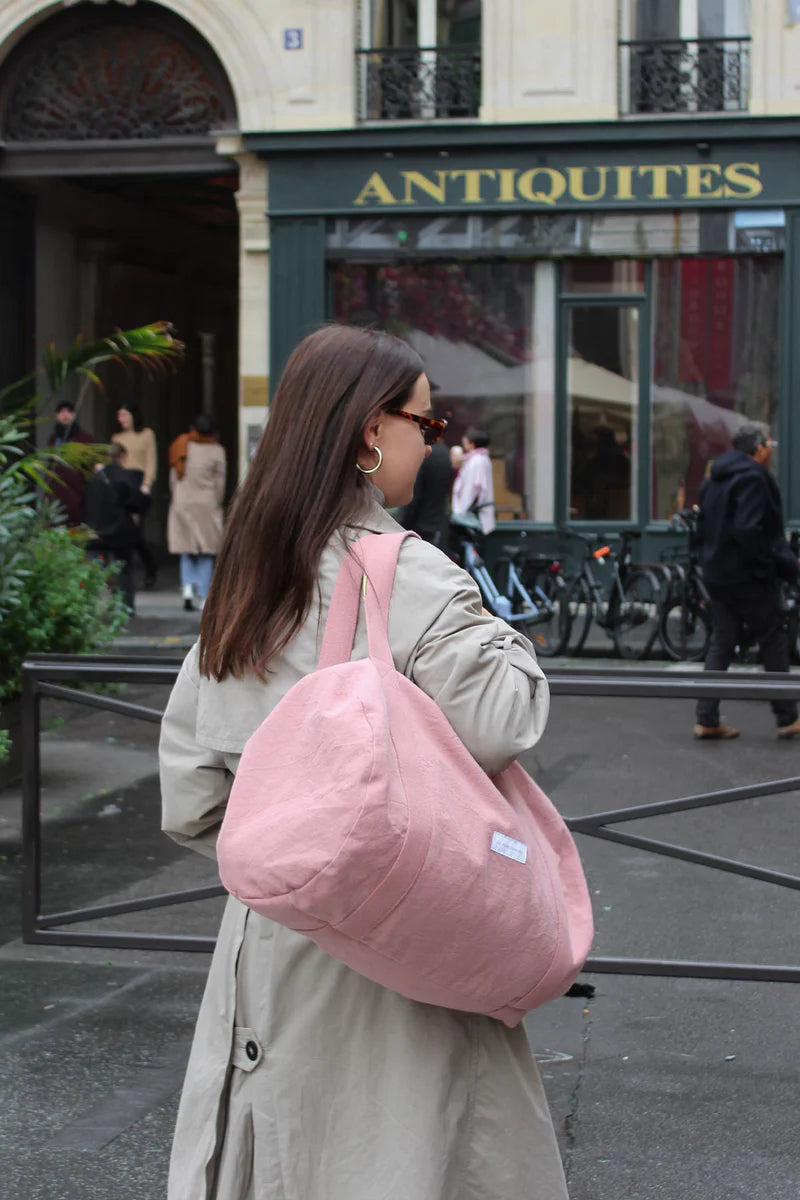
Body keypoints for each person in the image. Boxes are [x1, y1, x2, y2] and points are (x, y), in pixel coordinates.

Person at [159, 325, 565, 1200]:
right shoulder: (409, 575)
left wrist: (294, 856)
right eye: (426, 419)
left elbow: (191, 799)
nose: (435, 439)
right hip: (399, 955)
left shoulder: (244, 582)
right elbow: (507, 716)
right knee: (400, 1155)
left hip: (267, 951)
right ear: (371, 432)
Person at [693, 421, 800, 739]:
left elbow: (703, 527)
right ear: (760, 448)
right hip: (748, 576)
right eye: (770, 444)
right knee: (772, 639)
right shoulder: (754, 478)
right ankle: (787, 717)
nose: (770, 451)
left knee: (722, 642)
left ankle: (706, 717)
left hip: (718, 573)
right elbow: (749, 529)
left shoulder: (716, 477)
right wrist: (773, 566)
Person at [166, 413, 227, 611]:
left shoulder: (182, 445)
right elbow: (220, 483)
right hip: (205, 503)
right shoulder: (217, 451)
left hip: (182, 501)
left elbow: (174, 476)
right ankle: (203, 594)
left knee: (186, 547)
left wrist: (177, 495)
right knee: (205, 550)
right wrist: (217, 502)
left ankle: (187, 588)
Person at [84, 442, 147, 610]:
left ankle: (89, 606)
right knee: (125, 569)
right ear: (122, 456)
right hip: (121, 529)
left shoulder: (95, 478)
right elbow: (136, 502)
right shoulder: (125, 477)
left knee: (94, 569)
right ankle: (126, 607)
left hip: (97, 530)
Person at [112, 402, 158, 588]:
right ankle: (124, 575)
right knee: (124, 531)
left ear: (133, 415)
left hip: (138, 485)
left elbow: (151, 460)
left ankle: (150, 567)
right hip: (122, 485)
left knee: (136, 532)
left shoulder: (146, 434)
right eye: (119, 415)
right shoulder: (117, 437)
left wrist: (147, 484)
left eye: (124, 415)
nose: (121, 419)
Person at [396, 438, 452, 548]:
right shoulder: (445, 453)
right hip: (438, 525)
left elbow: (413, 498)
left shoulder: (423, 455)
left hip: (419, 528)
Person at [46, 400, 95, 526]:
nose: (65, 415)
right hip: (57, 489)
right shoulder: (53, 439)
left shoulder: (84, 438)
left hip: (76, 488)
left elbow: (91, 462)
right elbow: (50, 464)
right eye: (61, 412)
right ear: (56, 416)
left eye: (68, 412)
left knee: (76, 523)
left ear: (74, 415)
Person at [451, 426, 496, 534]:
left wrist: (460, 511)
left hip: (472, 516)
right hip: (475, 514)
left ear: (472, 444)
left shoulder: (476, 461)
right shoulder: (482, 459)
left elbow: (472, 488)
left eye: (465, 442)